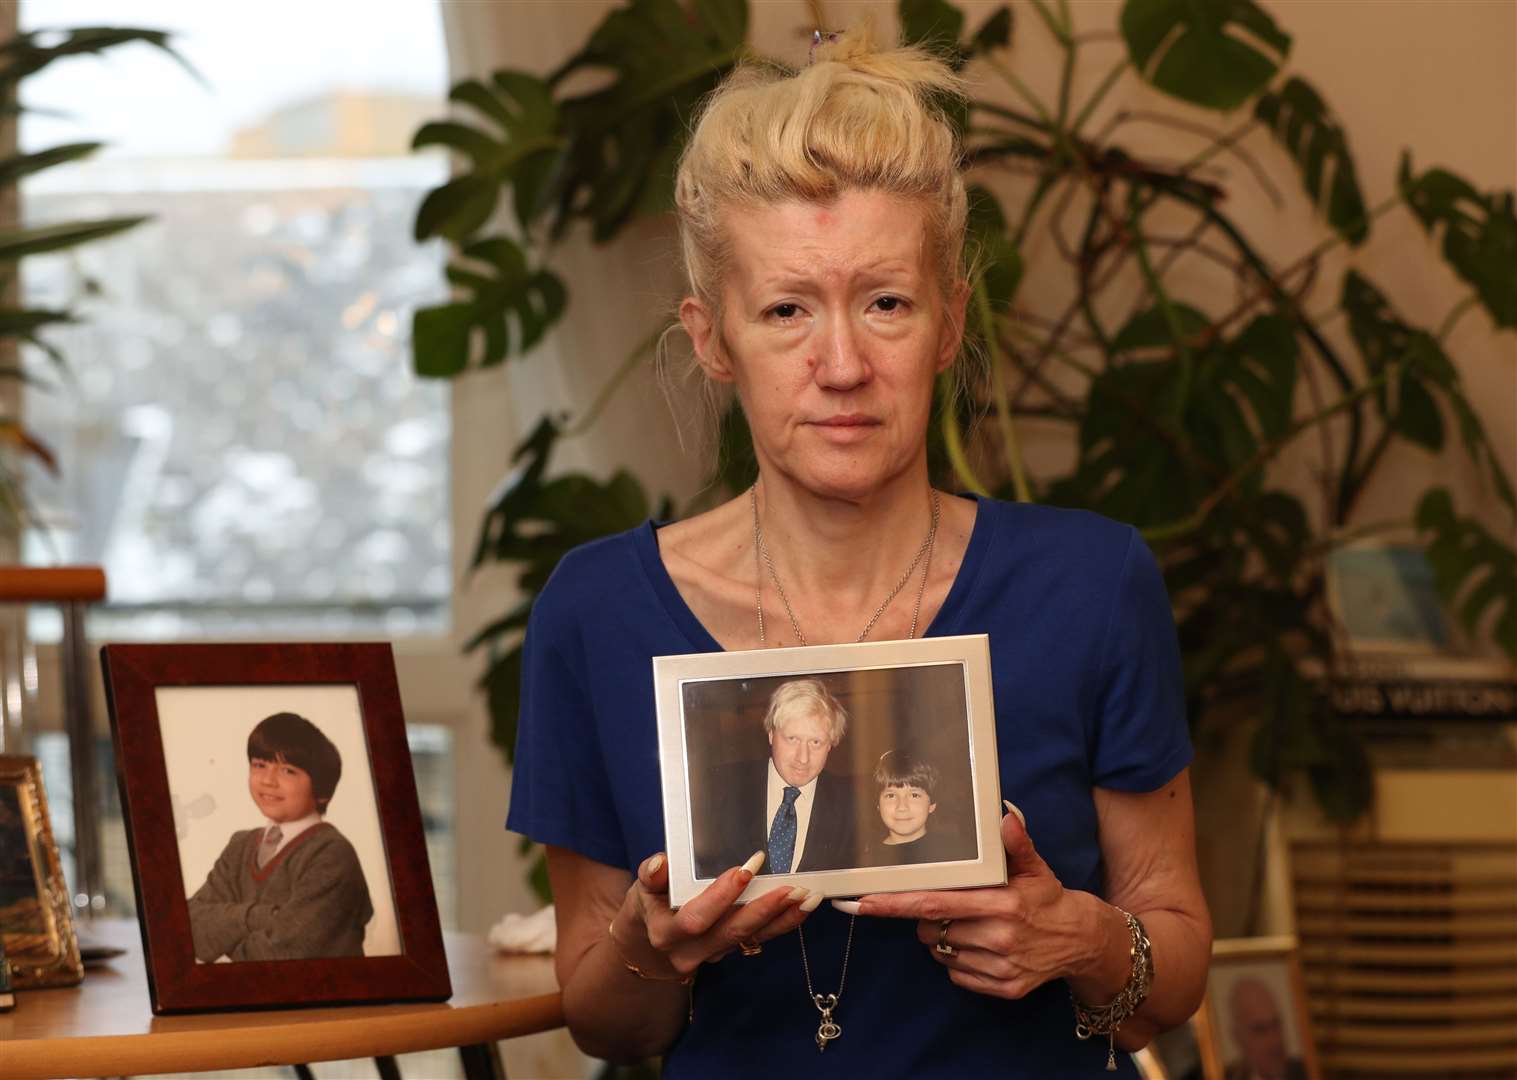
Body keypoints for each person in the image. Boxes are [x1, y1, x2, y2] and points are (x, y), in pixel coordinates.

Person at [506, 24, 1211, 1076]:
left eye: (884, 302)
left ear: (947, 323)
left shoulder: (1090, 583)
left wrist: (1080, 937)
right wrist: (648, 946)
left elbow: (1174, 971)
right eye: (786, 310)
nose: (840, 364)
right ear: (711, 340)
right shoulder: (598, 608)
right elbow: (609, 1026)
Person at [187, 712, 373, 962]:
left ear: (322, 791)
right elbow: (190, 926)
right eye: (259, 765)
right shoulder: (239, 846)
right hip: (249, 997)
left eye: (288, 771)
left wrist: (226, 946)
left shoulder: (332, 853)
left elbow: (287, 955)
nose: (268, 781)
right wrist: (262, 917)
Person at [694, 679, 857, 878]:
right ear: (771, 734)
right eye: (792, 739)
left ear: (830, 744)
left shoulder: (854, 802)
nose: (803, 758)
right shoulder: (717, 787)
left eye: (816, 742)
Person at [864, 750, 971, 866]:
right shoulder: (867, 863)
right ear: (878, 804)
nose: (902, 807)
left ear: (932, 804)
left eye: (914, 795)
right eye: (891, 795)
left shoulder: (955, 854)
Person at [1224, 977, 1308, 1080]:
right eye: (1260, 1030)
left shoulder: (1309, 1071)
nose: (1274, 1041)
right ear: (1238, 1037)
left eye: (1276, 1025)